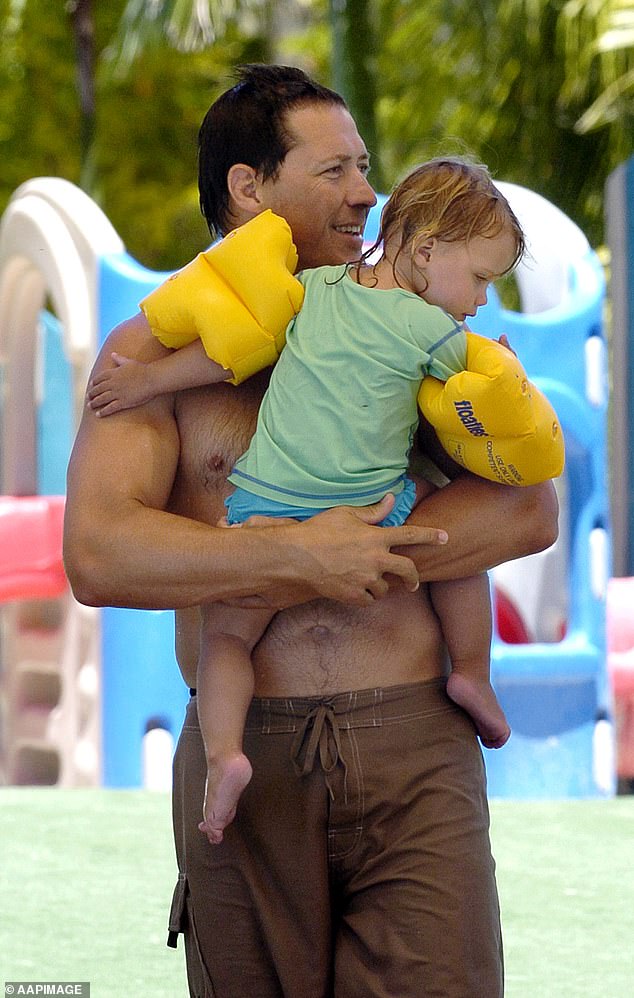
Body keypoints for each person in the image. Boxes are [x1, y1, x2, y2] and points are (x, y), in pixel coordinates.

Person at [63, 63, 559, 997]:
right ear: (250, 187)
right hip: (243, 750)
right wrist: (294, 557)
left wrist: (370, 556)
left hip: (415, 741)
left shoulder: (405, 323)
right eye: (334, 171)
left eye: (366, 167)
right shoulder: (151, 355)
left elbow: (528, 506)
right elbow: (98, 553)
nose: (368, 193)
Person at [87, 158, 525, 844]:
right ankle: (473, 674)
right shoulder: (438, 334)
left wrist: (145, 381)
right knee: (460, 561)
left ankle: (225, 756)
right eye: (478, 280)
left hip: (267, 498)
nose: (476, 301)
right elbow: (489, 399)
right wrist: (503, 372)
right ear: (427, 250)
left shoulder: (310, 293)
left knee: (227, 637)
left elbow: (228, 355)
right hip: (376, 500)